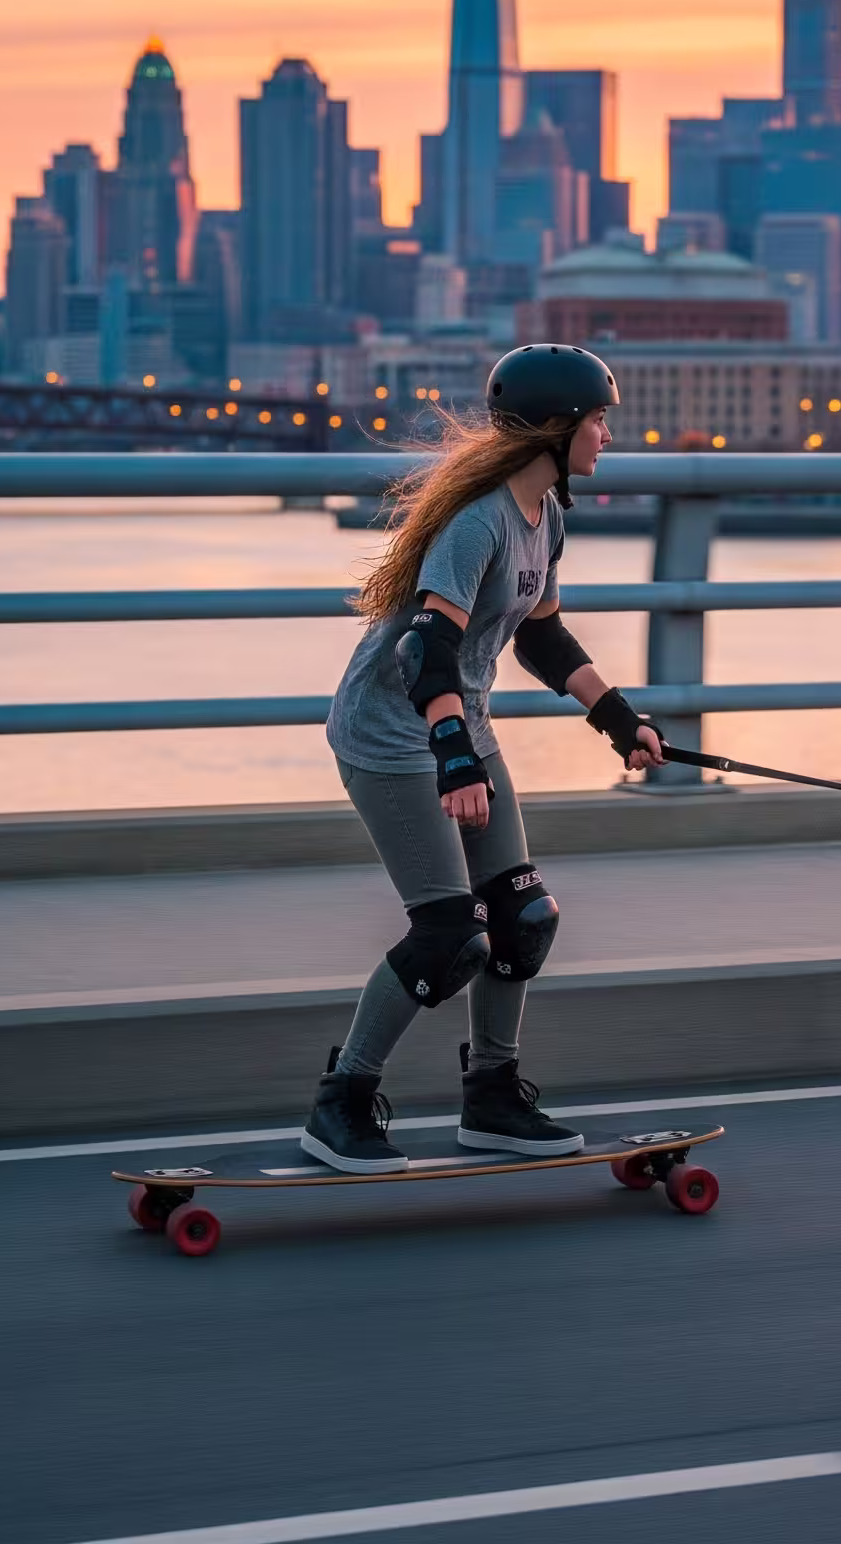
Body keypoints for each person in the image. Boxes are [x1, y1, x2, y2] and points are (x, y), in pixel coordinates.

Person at [302, 343, 666, 1172]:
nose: (607, 434)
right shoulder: (477, 522)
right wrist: (454, 760)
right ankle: (341, 1101)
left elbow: (540, 635)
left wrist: (617, 718)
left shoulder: (547, 515)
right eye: (598, 420)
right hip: (393, 734)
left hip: (459, 727)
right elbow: (424, 651)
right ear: (555, 428)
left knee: (523, 917)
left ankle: (492, 1095)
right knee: (449, 934)